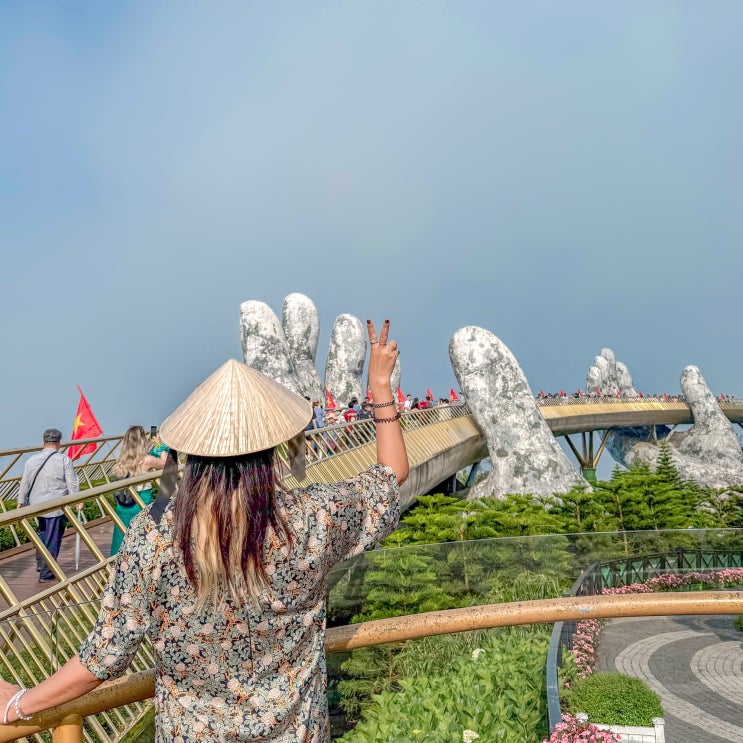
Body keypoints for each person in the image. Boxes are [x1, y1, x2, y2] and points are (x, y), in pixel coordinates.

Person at [0, 318, 408, 742]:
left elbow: (105, 655)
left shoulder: (155, 536)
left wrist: (18, 704)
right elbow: (391, 474)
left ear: (192, 451)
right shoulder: (310, 519)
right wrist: (380, 386)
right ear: (272, 444)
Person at [16, 429, 79, 584]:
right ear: (59, 442)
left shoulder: (32, 460)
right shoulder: (64, 460)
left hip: (36, 505)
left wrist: (20, 501)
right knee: (53, 538)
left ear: (43, 442)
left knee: (42, 534)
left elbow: (25, 482)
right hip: (56, 506)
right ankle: (46, 572)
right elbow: (72, 482)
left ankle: (41, 564)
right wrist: (77, 499)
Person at [110, 425, 166, 555]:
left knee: (122, 540)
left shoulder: (120, 460)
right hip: (141, 503)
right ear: (142, 441)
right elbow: (166, 464)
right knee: (145, 539)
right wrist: (159, 445)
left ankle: (118, 564)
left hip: (123, 506)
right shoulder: (146, 460)